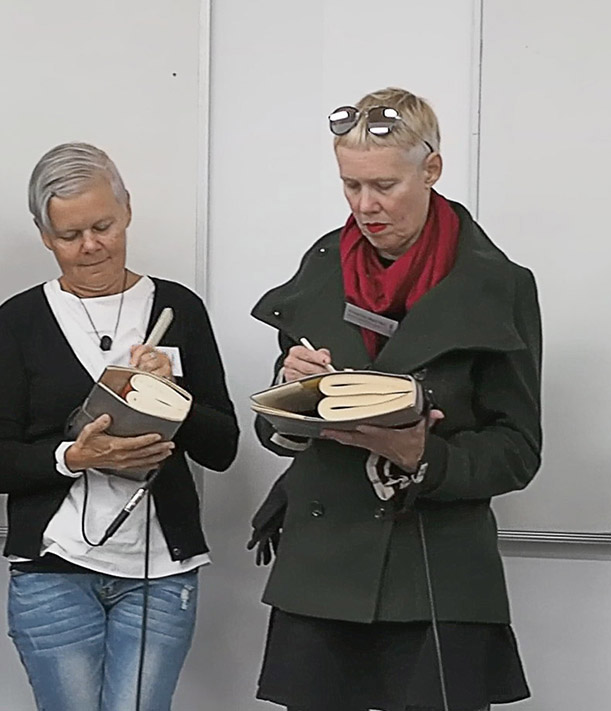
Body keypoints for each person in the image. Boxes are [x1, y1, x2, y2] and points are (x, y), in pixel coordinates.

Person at [248, 87, 542, 711]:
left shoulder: (499, 285)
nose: (365, 205)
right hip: (323, 568)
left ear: (431, 169)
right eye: (351, 185)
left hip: (436, 574)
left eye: (384, 185)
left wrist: (421, 455)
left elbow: (518, 450)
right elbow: (275, 433)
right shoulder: (322, 268)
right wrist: (293, 397)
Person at [0, 142, 239, 711]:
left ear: (127, 210)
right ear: (44, 235)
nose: (90, 246)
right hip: (53, 566)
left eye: (103, 226)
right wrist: (76, 457)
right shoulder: (18, 321)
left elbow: (223, 448)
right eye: (70, 235)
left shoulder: (178, 308)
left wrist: (176, 399)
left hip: (160, 569)